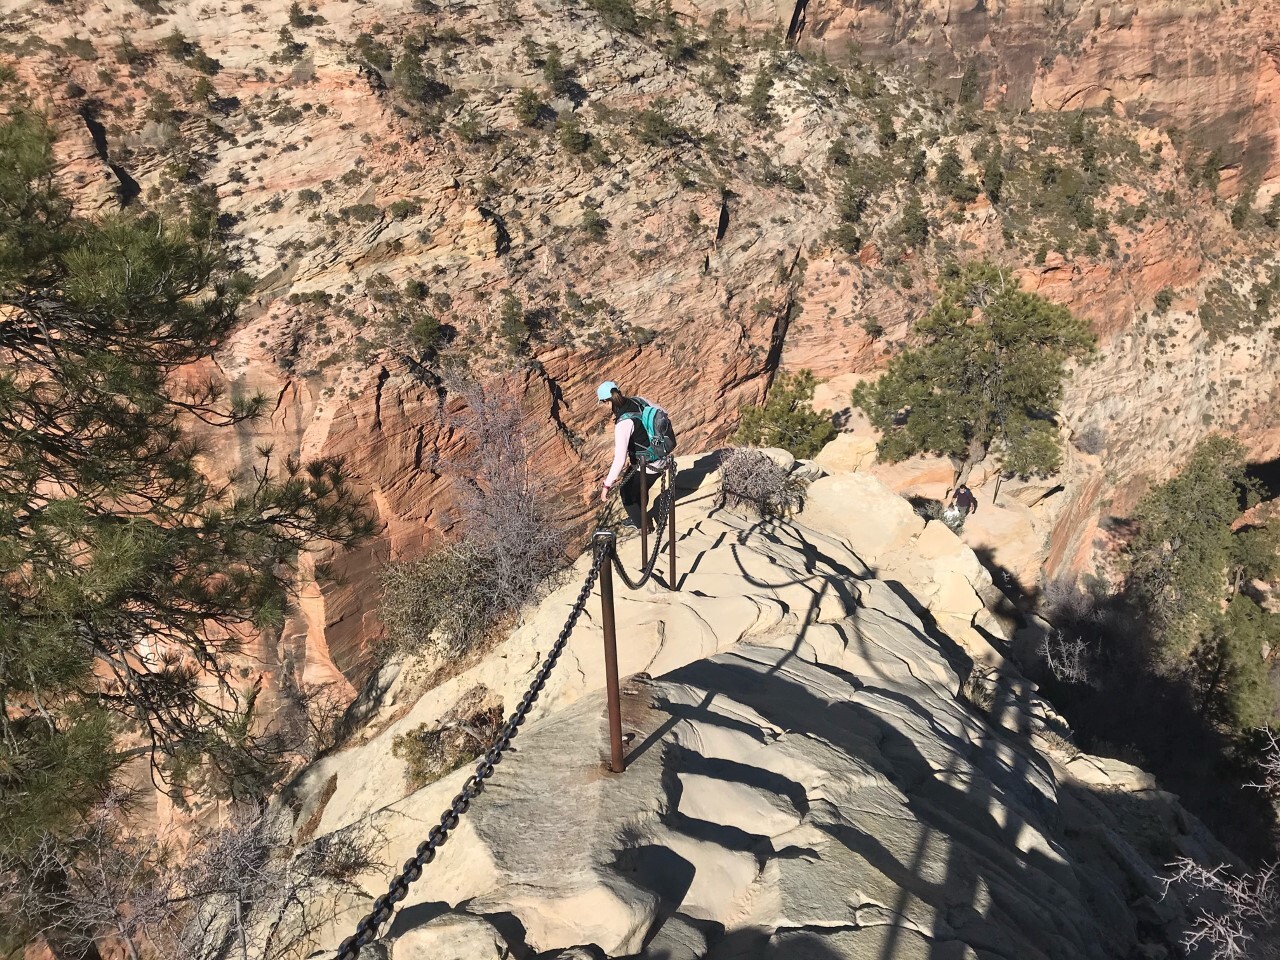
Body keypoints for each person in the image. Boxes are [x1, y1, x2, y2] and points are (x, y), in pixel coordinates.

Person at [598, 381, 670, 532]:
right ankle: (640, 516)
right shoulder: (638, 400)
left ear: (606, 401)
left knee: (627, 496)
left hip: (648, 464)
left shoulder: (624, 422)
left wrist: (606, 485)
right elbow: (663, 412)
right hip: (661, 456)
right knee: (638, 489)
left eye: (603, 403)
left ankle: (644, 528)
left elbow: (619, 459)